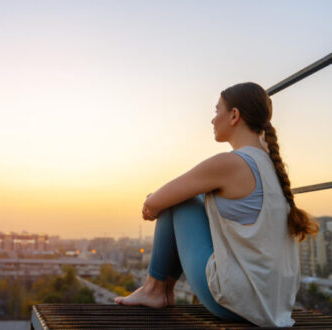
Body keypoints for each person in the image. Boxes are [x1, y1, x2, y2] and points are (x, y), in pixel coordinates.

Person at [114, 82, 319, 327]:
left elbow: (156, 202)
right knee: (191, 196)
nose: (213, 120)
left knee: (181, 199)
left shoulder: (230, 164)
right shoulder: (270, 166)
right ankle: (157, 290)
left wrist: (154, 201)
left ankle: (155, 289)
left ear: (234, 115)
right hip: (272, 304)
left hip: (236, 303)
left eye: (216, 110)